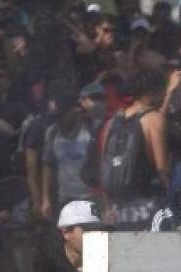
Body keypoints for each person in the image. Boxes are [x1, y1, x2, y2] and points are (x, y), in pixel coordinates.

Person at [98, 67, 168, 230]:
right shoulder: (154, 119)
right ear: (152, 91)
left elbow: (105, 165)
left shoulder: (112, 122)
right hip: (148, 207)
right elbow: (162, 168)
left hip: (118, 210)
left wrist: (108, 206)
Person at [41, 83, 103, 221]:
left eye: (61, 115)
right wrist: (45, 198)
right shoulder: (52, 132)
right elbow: (48, 166)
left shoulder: (92, 128)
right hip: (65, 200)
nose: (59, 119)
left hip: (92, 198)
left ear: (74, 110)